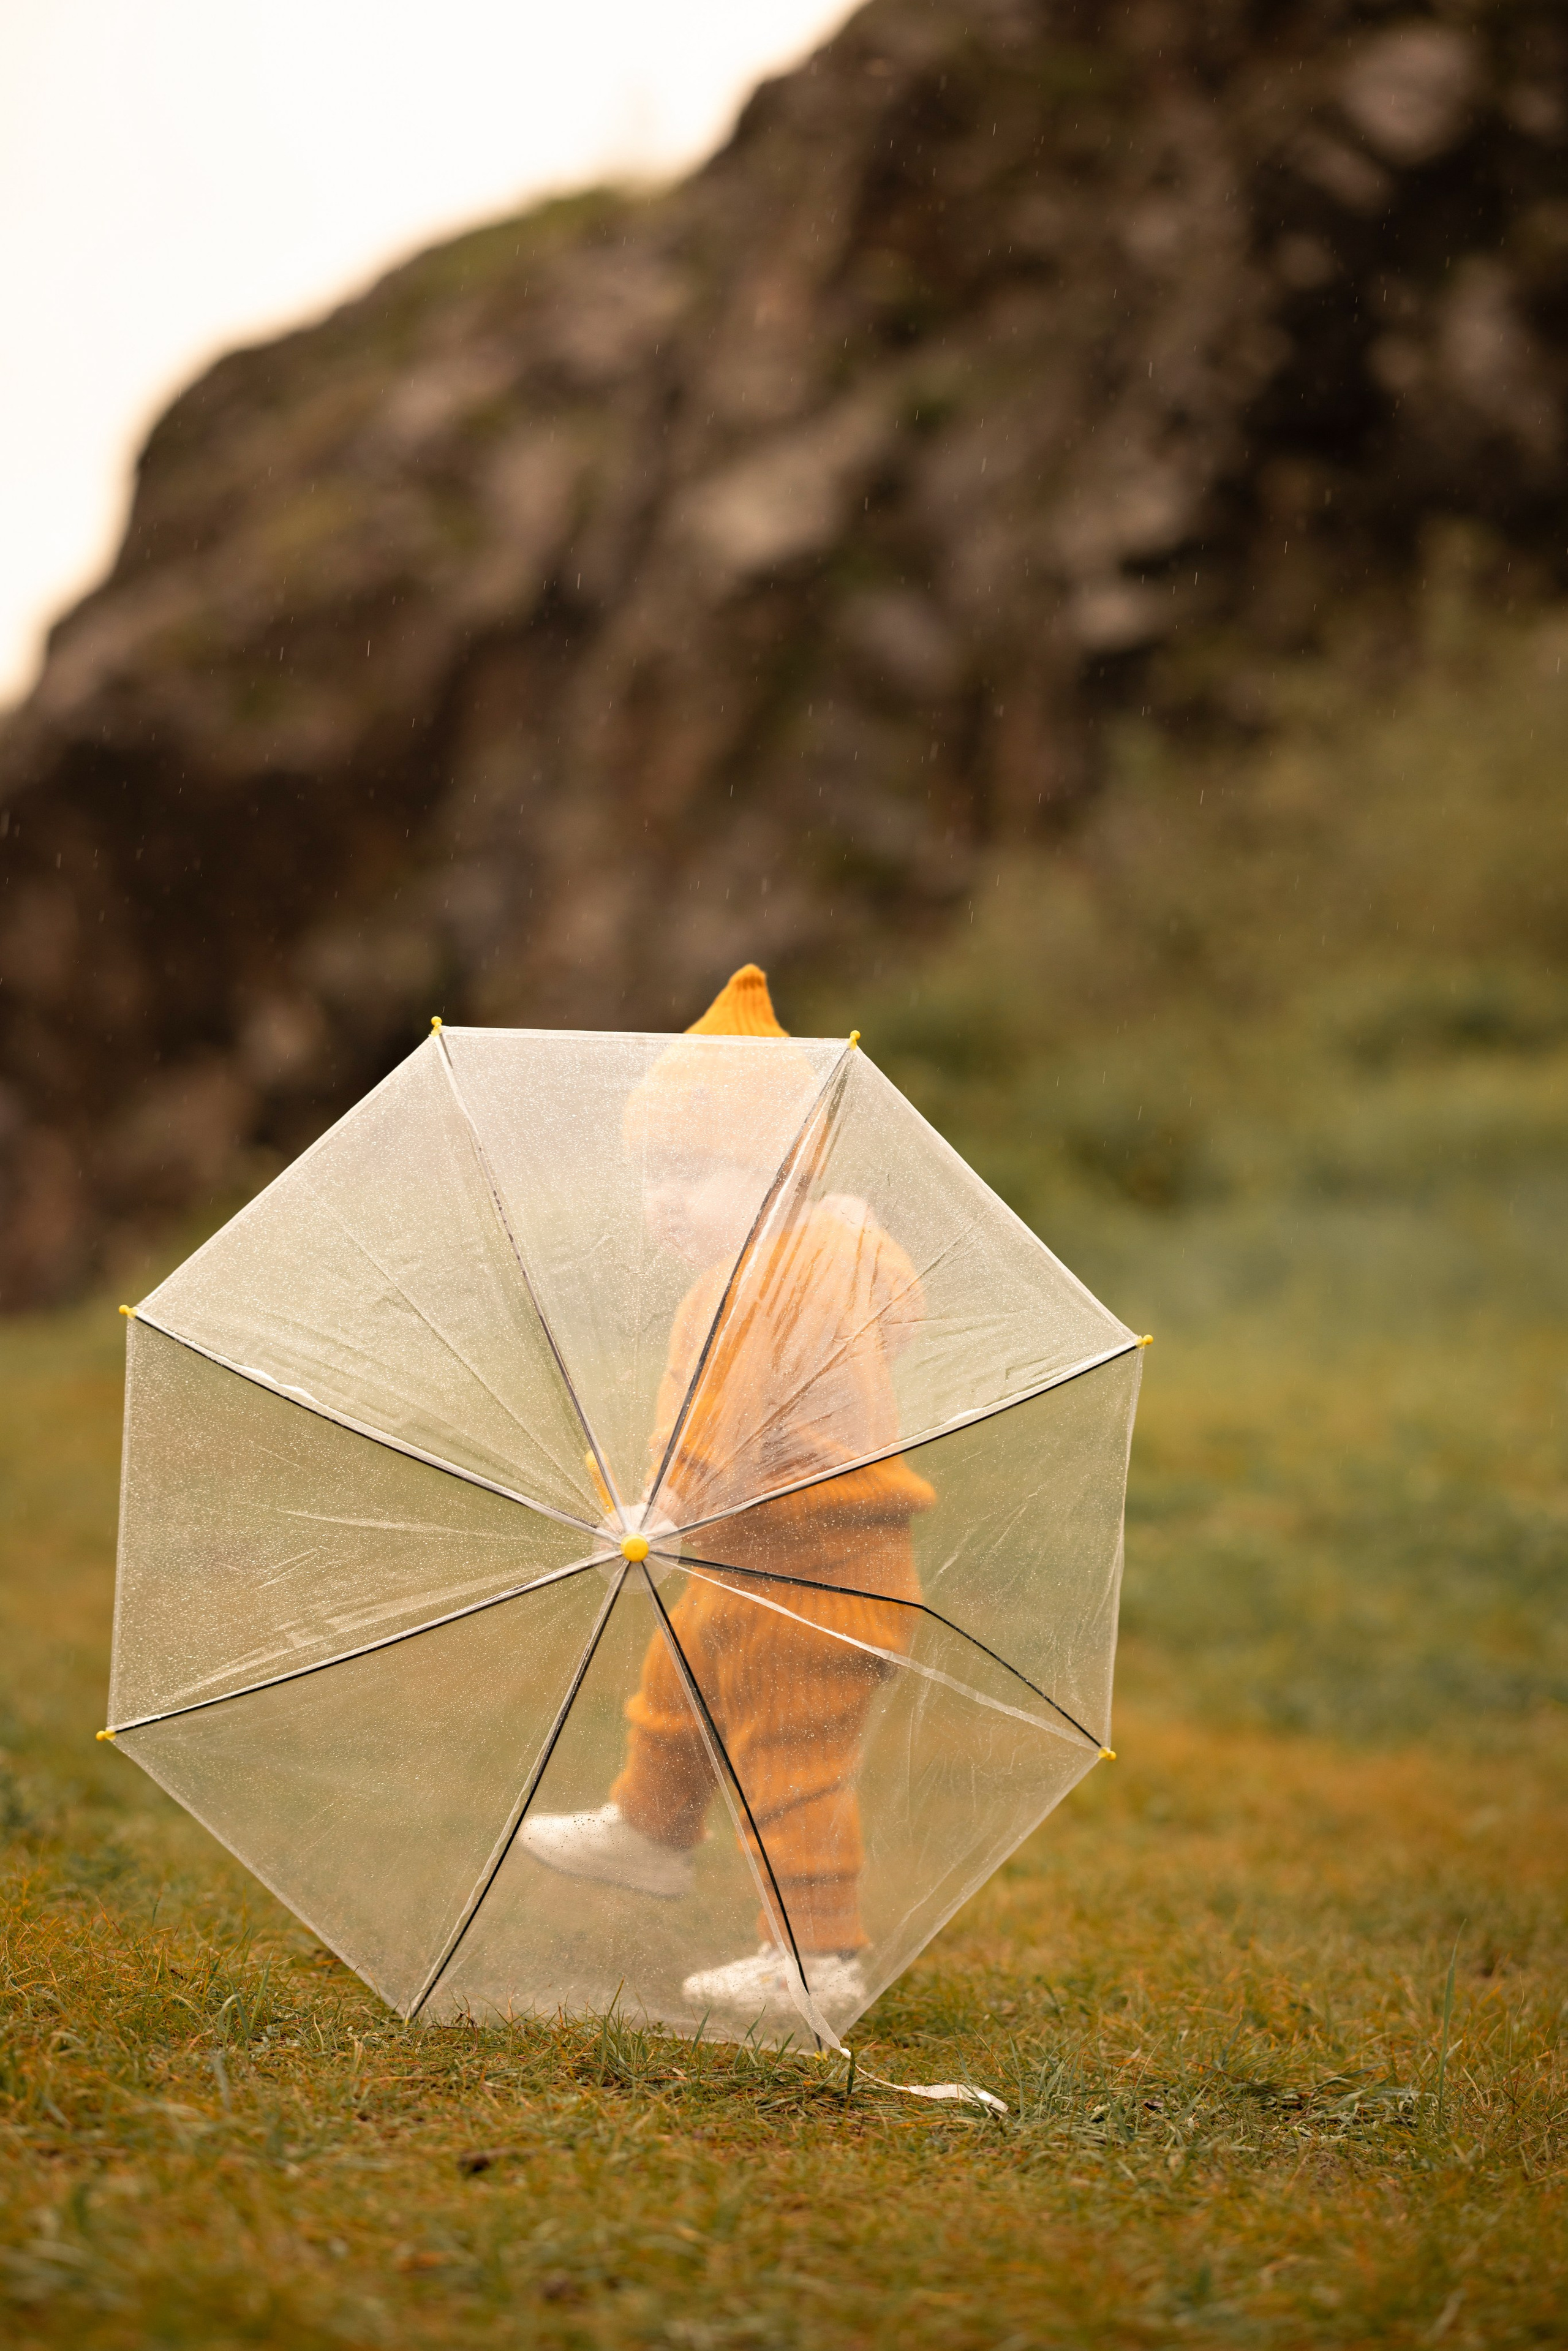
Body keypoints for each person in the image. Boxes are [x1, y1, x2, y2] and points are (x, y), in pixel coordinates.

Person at [521, 964, 934, 2016]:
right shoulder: (787, 1262)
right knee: (681, 1670)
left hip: (823, 1574)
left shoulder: (779, 1275)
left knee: (784, 1759)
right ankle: (653, 1829)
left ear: (782, 1171)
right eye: (653, 1173)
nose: (665, 1199)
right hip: (755, 1559)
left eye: (695, 1171)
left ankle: (816, 1959)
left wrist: (666, 1500)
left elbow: (725, 1418)